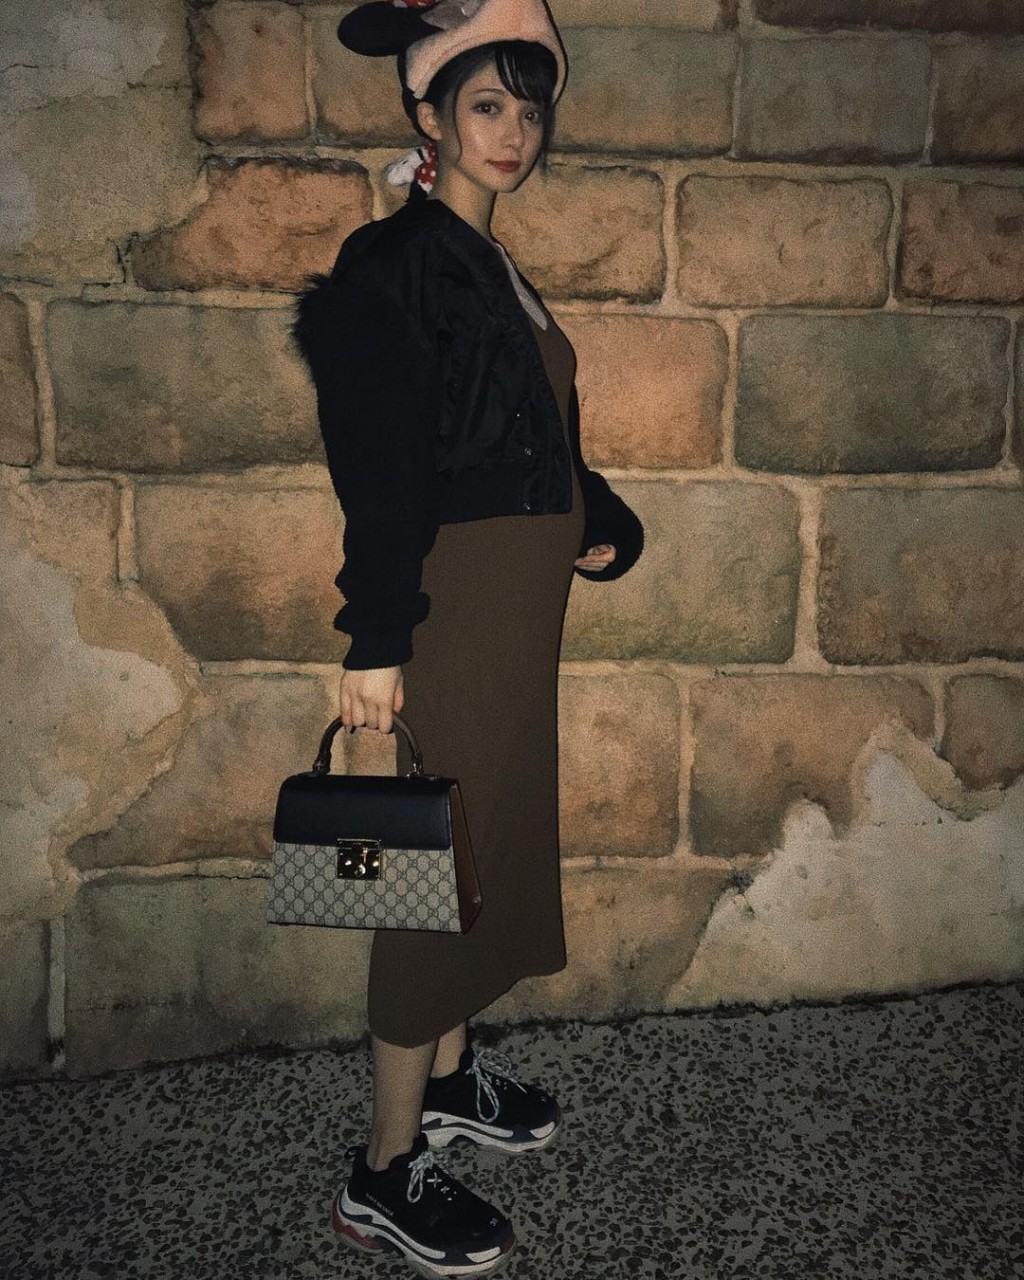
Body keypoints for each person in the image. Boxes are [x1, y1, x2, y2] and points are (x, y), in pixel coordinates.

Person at [290, 1, 644, 1274]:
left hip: (516, 606)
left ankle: (447, 1081)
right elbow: (381, 466)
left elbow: (526, 434)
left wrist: (600, 517)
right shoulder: (397, 262)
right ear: (428, 115)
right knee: (421, 872)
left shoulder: (490, 264)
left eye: (528, 108)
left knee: (480, 840)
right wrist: (376, 637)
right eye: (487, 104)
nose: (514, 131)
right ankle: (383, 1169)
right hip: (452, 610)